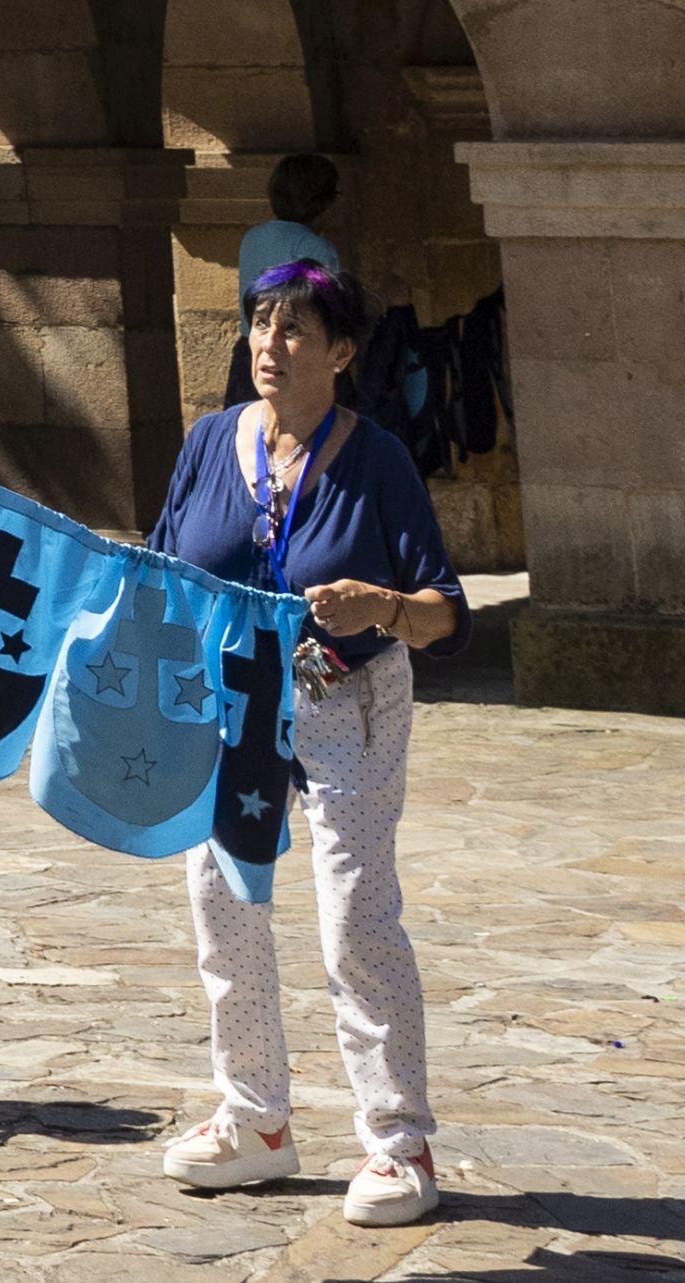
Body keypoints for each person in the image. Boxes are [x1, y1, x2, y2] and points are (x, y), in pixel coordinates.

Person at [148, 259, 471, 1227]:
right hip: (230, 695)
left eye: (294, 330)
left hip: (346, 698)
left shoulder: (377, 462)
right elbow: (163, 561)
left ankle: (399, 1140)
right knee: (221, 895)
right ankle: (256, 1119)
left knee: (354, 914)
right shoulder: (210, 442)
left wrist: (383, 604)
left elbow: (446, 611)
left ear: (341, 350)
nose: (269, 345)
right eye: (259, 325)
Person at [225, 154, 343, 409]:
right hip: (294, 358)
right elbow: (330, 313)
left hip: (250, 353)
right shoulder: (316, 246)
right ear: (324, 201)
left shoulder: (252, 237)